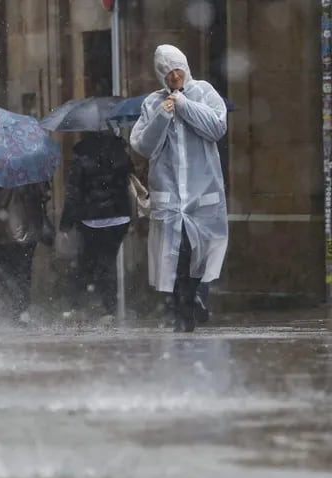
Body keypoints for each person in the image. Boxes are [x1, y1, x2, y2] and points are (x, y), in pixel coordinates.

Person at [130, 44, 228, 332]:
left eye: (177, 69)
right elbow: (143, 145)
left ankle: (191, 298)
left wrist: (185, 106)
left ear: (185, 67)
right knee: (176, 255)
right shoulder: (152, 103)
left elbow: (216, 127)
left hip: (202, 193)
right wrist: (163, 115)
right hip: (170, 196)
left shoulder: (205, 92)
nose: (174, 76)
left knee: (199, 254)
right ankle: (183, 309)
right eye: (168, 72)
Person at [59, 131, 132, 325]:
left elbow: (73, 191)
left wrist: (66, 223)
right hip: (118, 216)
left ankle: (79, 305)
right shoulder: (120, 152)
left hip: (91, 218)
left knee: (86, 262)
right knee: (108, 261)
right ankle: (108, 309)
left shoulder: (82, 154)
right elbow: (126, 182)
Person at [0, 181, 52, 325]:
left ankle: (15, 308)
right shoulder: (32, 165)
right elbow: (45, 194)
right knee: (23, 271)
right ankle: (21, 309)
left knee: (3, 271)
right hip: (28, 226)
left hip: (1, 228)